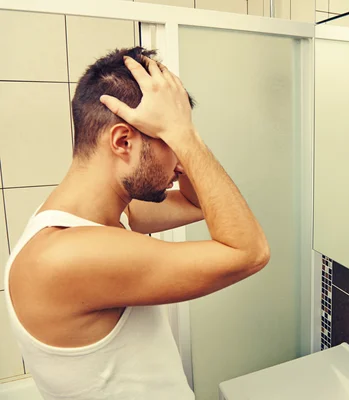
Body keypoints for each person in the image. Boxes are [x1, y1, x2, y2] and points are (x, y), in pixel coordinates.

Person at [3, 47, 270, 399]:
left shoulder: (99, 218)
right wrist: (184, 136)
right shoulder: (67, 255)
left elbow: (196, 203)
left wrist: (180, 129)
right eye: (169, 142)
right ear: (123, 141)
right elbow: (249, 252)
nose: (180, 164)